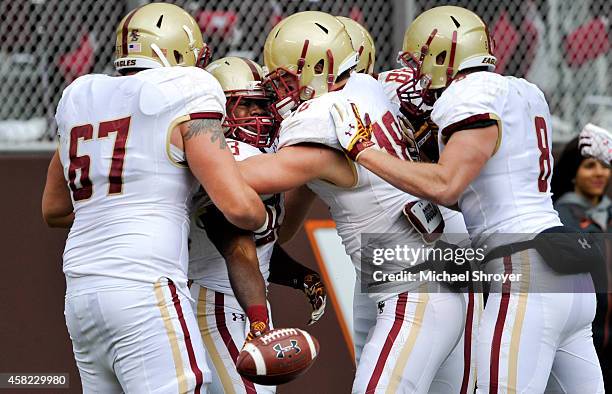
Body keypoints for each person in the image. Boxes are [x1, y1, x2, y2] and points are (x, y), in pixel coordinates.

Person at [332, 5, 604, 392]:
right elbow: (483, 190)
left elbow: (446, 186)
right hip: (569, 275)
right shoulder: (523, 90)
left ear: (443, 57)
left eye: (419, 61)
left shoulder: (469, 94)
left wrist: (364, 151)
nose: (416, 73)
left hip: (524, 273)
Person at [238, 11, 470, 393]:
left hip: (411, 297)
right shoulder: (365, 89)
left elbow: (249, 177)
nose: (279, 92)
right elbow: (288, 225)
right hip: (426, 285)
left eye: (285, 80)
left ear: (316, 69)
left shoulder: (320, 119)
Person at [41, 4, 268, 392]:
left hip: (81, 293)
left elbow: (55, 209)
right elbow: (239, 207)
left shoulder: (80, 96)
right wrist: (263, 220)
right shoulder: (184, 89)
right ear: (176, 55)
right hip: (146, 287)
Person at [188, 56, 326, 394]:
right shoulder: (226, 155)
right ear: (219, 111)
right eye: (244, 104)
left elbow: (258, 245)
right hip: (219, 303)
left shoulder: (261, 153)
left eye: (261, 103)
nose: (257, 114)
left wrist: (300, 276)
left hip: (240, 300)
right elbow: (235, 246)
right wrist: (259, 320)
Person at [552, 135, 612, 389]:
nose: (599, 173)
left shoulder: (609, 213)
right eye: (589, 166)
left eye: (604, 165)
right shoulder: (560, 217)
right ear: (573, 172)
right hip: (583, 333)